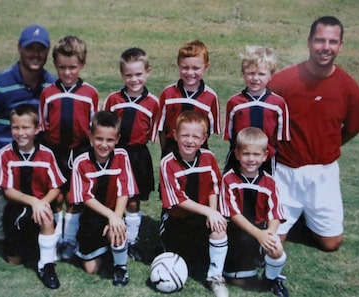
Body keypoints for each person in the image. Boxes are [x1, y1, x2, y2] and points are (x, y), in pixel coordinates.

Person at [267, 16, 359, 251]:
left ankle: (304, 217)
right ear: (309, 42)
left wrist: (330, 145)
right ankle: (290, 217)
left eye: (332, 41)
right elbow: (263, 120)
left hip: (324, 174)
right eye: (320, 40)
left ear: (340, 46)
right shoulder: (283, 82)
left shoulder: (347, 86)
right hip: (285, 172)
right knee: (273, 242)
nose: (326, 47)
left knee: (331, 243)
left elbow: (354, 127)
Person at [0, 24, 55, 240]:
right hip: (4, 172)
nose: (35, 54)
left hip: (34, 168)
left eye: (40, 49)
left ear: (47, 51)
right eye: (30, 48)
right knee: (2, 238)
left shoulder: (52, 86)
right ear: (19, 48)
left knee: (39, 231)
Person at [0, 105, 66, 289]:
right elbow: (8, 191)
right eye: (16, 127)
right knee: (14, 261)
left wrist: (42, 203)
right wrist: (34, 202)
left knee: (45, 216)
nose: (20, 132)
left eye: (26, 127)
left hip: (41, 206)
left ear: (37, 129)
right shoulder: (5, 154)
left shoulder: (46, 154)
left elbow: (56, 187)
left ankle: (46, 267)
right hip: (16, 207)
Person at [39, 35, 99, 260]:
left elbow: (93, 125)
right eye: (62, 67)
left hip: (79, 152)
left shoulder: (90, 93)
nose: (67, 72)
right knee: (56, 197)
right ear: (55, 65)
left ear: (82, 65)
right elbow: (44, 123)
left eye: (72, 67)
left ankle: (69, 241)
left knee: (74, 198)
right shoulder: (48, 93)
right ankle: (53, 238)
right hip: (54, 151)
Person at [159, 110, 229, 297]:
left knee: (219, 228)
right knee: (184, 263)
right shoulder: (168, 163)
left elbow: (215, 188)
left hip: (202, 217)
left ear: (204, 138)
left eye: (196, 136)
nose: (190, 141)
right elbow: (177, 199)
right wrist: (208, 211)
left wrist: (213, 213)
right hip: (177, 221)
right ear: (174, 135)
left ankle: (215, 277)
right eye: (185, 135)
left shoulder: (208, 158)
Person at [69, 111, 138, 287]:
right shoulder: (81, 161)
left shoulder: (122, 156)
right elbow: (85, 197)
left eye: (110, 140)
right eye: (99, 139)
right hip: (92, 216)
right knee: (91, 269)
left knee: (117, 230)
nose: (104, 145)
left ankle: (120, 267)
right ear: (91, 137)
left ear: (117, 139)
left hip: (116, 211)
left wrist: (116, 217)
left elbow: (124, 191)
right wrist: (110, 216)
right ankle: (107, 248)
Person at [103, 47, 159, 262]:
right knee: (112, 196)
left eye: (138, 74)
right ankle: (111, 234)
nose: (134, 79)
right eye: (129, 75)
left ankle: (132, 240)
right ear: (122, 75)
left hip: (137, 156)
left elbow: (153, 131)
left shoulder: (154, 102)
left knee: (133, 201)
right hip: (115, 155)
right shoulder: (113, 99)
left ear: (147, 72)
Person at [220, 127, 288, 297]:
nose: (251, 159)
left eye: (256, 155)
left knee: (276, 248)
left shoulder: (269, 182)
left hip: (260, 232)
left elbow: (275, 214)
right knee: (239, 281)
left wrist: (270, 234)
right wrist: (259, 235)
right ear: (237, 154)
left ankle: (271, 279)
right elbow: (233, 213)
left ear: (265, 156)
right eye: (246, 154)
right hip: (236, 235)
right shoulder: (229, 179)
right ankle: (247, 265)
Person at [223, 45, 290, 174]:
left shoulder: (278, 104)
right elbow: (231, 137)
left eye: (261, 74)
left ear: (271, 76)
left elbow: (281, 139)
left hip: (267, 160)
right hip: (238, 159)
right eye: (251, 73)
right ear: (243, 73)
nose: (255, 78)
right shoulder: (234, 103)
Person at [157, 39, 221, 158]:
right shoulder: (168, 94)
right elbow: (161, 129)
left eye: (196, 68)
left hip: (198, 151)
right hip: (172, 150)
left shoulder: (210, 97)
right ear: (178, 65)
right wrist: (165, 152)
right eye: (185, 67)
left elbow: (208, 132)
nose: (190, 73)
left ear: (206, 66)